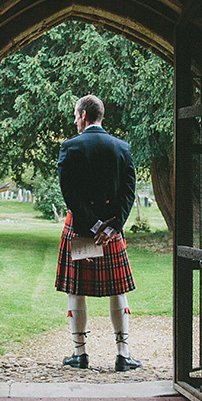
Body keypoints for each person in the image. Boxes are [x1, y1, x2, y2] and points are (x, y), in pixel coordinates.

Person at [55, 94, 142, 371]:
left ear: (83, 115)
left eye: (74, 114)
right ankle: (123, 354)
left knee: (76, 290)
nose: (74, 119)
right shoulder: (121, 147)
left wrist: (93, 225)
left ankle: (79, 354)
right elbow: (129, 191)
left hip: (81, 227)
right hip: (111, 230)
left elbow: (69, 193)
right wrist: (113, 227)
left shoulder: (70, 146)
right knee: (118, 290)